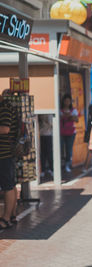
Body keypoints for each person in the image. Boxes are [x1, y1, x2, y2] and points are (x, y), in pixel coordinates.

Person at [0, 92, 19, 229]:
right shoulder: (8, 107)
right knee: (11, 185)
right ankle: (12, 215)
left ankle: (6, 218)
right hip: (7, 153)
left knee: (7, 186)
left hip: (4, 153)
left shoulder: (4, 108)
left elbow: (5, 129)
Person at [60, 94, 79, 173]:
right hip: (61, 132)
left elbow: (76, 119)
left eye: (68, 101)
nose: (67, 102)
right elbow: (61, 117)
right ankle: (62, 164)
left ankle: (68, 164)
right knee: (61, 148)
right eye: (65, 101)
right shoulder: (59, 110)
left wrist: (68, 116)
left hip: (71, 132)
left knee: (69, 149)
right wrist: (70, 116)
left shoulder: (74, 110)